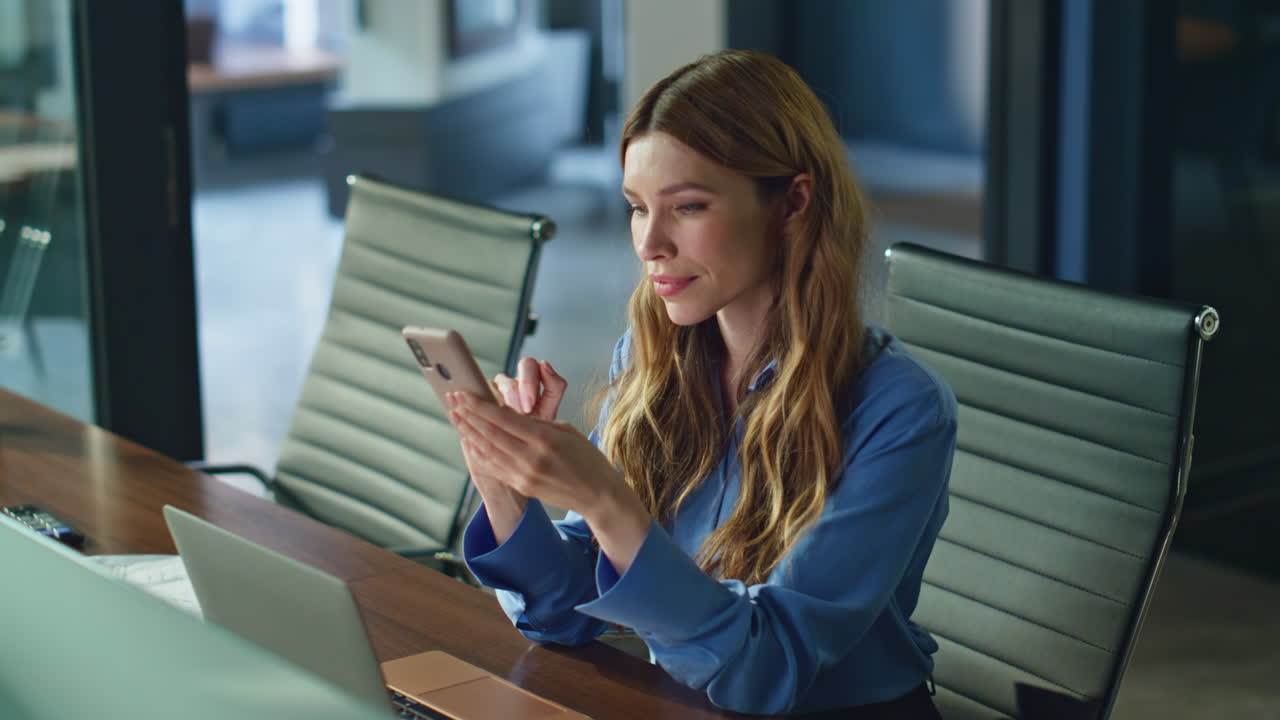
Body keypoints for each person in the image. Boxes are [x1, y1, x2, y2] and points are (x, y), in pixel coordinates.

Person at [443, 49, 956, 718]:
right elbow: (564, 614)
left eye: (687, 206)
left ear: (793, 202)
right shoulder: (653, 358)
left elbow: (764, 673)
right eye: (637, 208)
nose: (649, 243)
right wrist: (502, 483)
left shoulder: (900, 408)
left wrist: (604, 500)